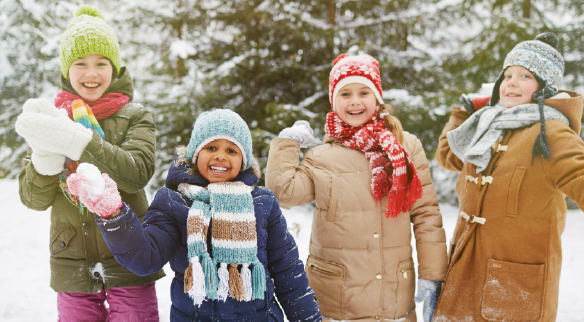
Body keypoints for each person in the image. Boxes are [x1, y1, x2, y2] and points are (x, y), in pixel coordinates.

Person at [64, 109, 322, 321]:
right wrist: (113, 214)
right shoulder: (174, 202)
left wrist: (308, 319)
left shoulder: (262, 203)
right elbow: (145, 257)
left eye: (232, 150)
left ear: (243, 161)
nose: (220, 155)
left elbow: (288, 271)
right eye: (211, 147)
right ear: (196, 154)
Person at [265, 54, 448, 322]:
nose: (355, 101)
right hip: (337, 300)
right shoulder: (321, 156)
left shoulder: (406, 147)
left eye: (364, 92)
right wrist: (287, 143)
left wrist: (432, 274)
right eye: (345, 93)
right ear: (333, 101)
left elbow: (426, 215)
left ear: (377, 98)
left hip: (393, 298)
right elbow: (283, 193)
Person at [15, 5, 164, 321]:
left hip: (129, 255)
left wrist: (76, 142)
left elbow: (136, 173)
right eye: (80, 63)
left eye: (101, 63)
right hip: (71, 260)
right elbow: (33, 199)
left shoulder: (135, 116)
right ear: (67, 70)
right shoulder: (52, 120)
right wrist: (45, 157)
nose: (91, 73)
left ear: (116, 68)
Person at [433, 32, 584, 321]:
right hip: (464, 276)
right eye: (507, 75)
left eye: (525, 76)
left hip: (514, 289)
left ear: (544, 88)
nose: (511, 82)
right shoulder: (490, 124)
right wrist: (466, 111)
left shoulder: (551, 133)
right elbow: (448, 156)